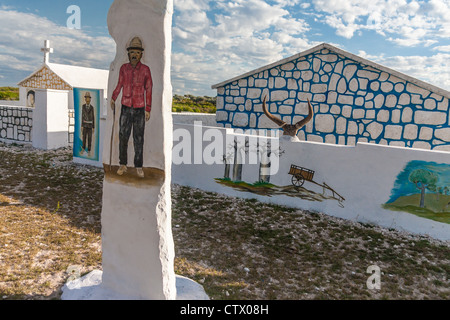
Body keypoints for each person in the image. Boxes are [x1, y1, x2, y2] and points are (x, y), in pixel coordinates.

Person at [111, 36, 152, 178]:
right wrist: (113, 97)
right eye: (132, 52)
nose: (134, 55)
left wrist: (148, 109)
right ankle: (123, 164)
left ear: (141, 54)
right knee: (123, 136)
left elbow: (149, 89)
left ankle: (138, 166)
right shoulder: (124, 68)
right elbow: (119, 84)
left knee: (138, 138)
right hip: (126, 107)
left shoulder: (146, 70)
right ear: (128, 54)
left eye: (137, 52)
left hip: (140, 108)